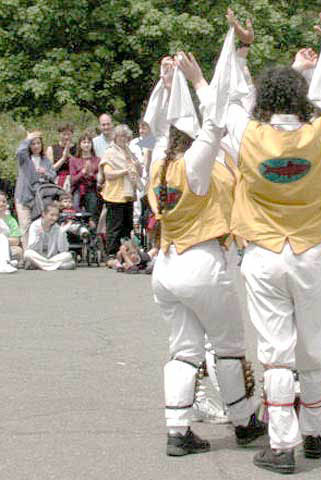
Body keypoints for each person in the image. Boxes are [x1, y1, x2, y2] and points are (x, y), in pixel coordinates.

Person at [223, 10, 321, 474]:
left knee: (276, 351)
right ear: (305, 98)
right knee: (312, 346)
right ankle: (312, 432)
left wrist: (240, 49)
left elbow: (225, 99)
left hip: (264, 253)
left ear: (262, 99)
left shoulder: (248, 134)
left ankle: (282, 446)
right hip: (313, 252)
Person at [148, 47, 265, 457]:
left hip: (165, 263)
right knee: (229, 345)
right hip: (201, 260)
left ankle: (177, 430)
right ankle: (245, 421)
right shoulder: (194, 164)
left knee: (184, 350)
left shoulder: (155, 163)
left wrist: (166, 88)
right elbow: (215, 122)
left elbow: (156, 128)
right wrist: (199, 81)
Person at [100, 124, 141, 257]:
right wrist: (125, 171)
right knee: (114, 227)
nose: (124, 139)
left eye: (126, 136)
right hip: (114, 194)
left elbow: (138, 169)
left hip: (128, 194)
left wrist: (136, 166)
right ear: (116, 137)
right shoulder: (110, 152)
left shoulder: (129, 152)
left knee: (127, 227)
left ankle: (126, 253)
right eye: (121, 136)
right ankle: (111, 253)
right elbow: (108, 174)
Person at [14, 131, 56, 249]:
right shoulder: (25, 159)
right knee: (25, 226)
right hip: (24, 196)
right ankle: (28, 254)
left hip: (39, 199)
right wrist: (28, 139)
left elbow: (53, 176)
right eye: (33, 144)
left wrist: (45, 173)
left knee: (38, 226)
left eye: (38, 143)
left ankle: (39, 252)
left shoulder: (45, 160)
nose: (36, 146)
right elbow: (19, 152)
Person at [23, 204, 75, 271]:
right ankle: (55, 266)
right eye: (52, 215)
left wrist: (62, 233)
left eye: (56, 216)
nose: (54, 218)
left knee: (68, 255)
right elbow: (31, 247)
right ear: (44, 214)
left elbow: (63, 250)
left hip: (52, 257)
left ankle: (41, 266)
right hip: (39, 256)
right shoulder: (35, 225)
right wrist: (38, 236)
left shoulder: (57, 228)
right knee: (27, 253)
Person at [69, 131, 100, 217]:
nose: (86, 145)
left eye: (88, 142)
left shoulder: (97, 160)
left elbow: (100, 179)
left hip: (92, 191)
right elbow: (72, 180)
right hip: (77, 191)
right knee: (77, 216)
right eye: (84, 142)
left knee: (92, 216)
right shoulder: (73, 160)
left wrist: (91, 174)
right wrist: (83, 172)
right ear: (80, 144)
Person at [0, 191, 21, 273]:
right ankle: (5, 263)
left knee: (18, 250)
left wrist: (3, 240)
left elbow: (16, 241)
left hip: (7, 247)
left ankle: (5, 262)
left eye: (4, 201)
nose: (2, 204)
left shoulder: (11, 220)